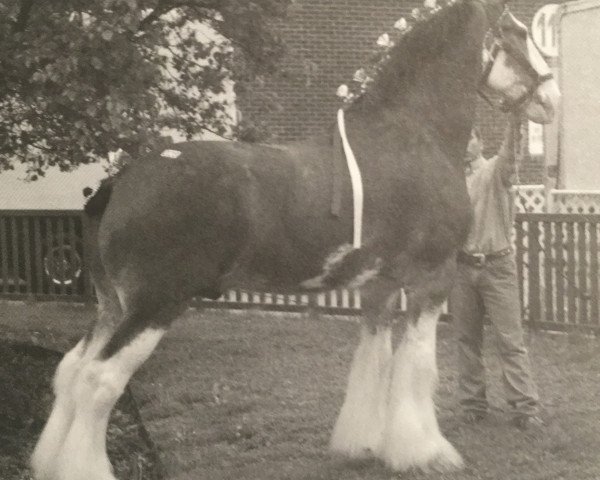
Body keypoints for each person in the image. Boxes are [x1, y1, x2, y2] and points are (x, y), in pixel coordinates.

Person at [450, 115, 543, 430]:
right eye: (460, 138)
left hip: (497, 267)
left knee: (509, 339)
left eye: (471, 138)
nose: (465, 144)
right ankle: (473, 405)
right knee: (467, 340)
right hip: (462, 269)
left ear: (480, 142)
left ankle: (524, 409)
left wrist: (515, 118)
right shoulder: (450, 181)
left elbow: (510, 152)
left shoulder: (495, 171)